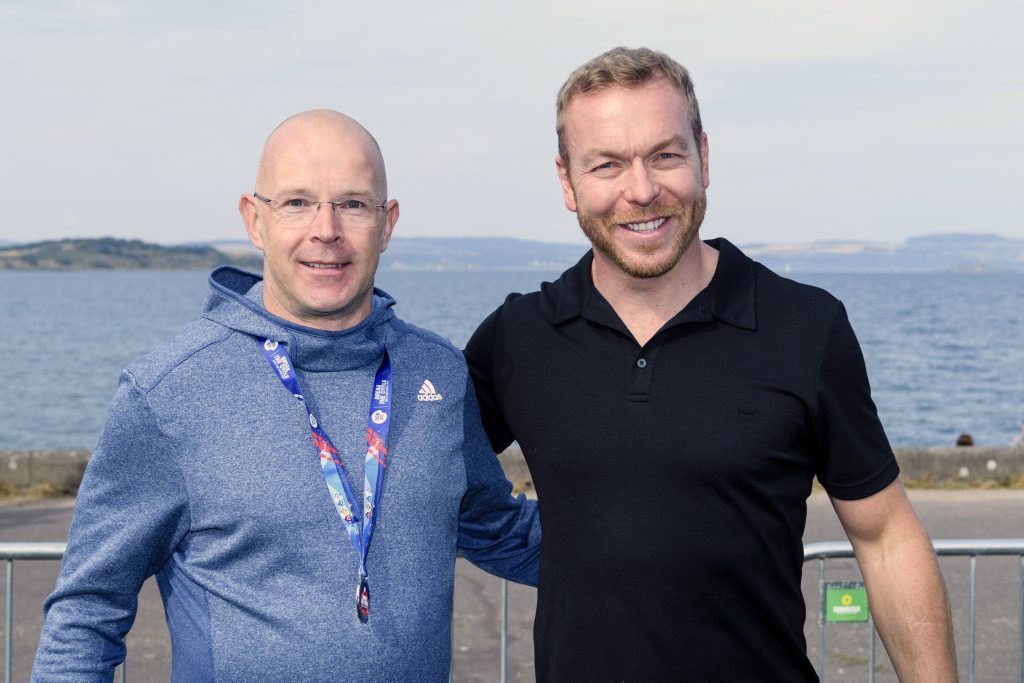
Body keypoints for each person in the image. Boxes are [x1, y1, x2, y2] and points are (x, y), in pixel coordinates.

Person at [465, 47, 956, 681]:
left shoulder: (805, 326)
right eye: (607, 164)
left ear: (704, 157)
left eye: (665, 155)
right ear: (567, 182)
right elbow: (410, 481)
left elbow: (885, 537)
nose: (641, 190)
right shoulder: (518, 338)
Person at [33, 110, 540, 682]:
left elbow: (494, 529)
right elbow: (87, 613)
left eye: (352, 203)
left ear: (388, 222)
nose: (326, 229)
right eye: (297, 202)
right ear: (255, 220)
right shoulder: (168, 394)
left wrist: (654, 535)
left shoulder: (438, 372)